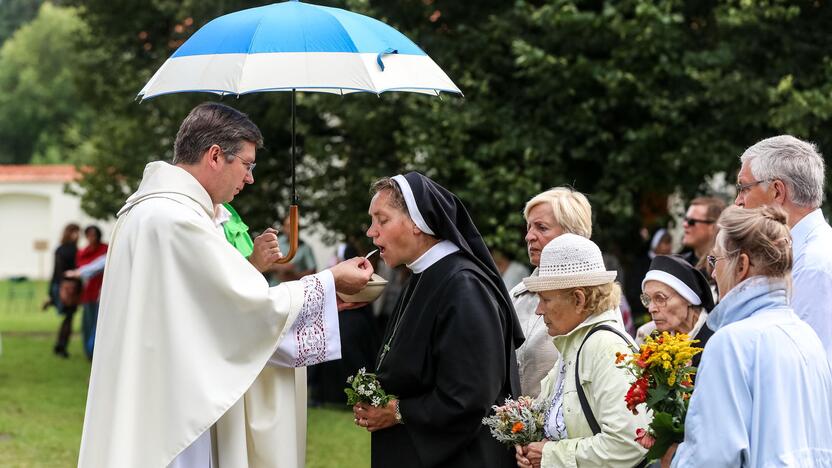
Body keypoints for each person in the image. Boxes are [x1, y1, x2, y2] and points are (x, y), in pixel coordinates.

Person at [77, 102, 374, 468]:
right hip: (174, 413)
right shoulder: (177, 221)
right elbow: (244, 312)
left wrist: (323, 299)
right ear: (216, 155)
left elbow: (218, 302)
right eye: (247, 165)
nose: (250, 178)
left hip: (152, 394)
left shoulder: (149, 211)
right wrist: (328, 282)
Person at [353, 173, 523, 468]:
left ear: (418, 223)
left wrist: (396, 411)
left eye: (382, 220)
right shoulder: (426, 275)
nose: (371, 232)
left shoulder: (463, 285)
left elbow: (471, 396)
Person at [667, 206, 832, 467]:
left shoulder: (730, 342)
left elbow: (711, 457)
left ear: (741, 264)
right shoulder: (807, 336)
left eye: (715, 261)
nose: (711, 273)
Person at [515, 234, 649, 468]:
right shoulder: (576, 343)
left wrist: (549, 455)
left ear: (578, 299)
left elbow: (629, 443)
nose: (538, 310)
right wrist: (529, 444)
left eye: (545, 299)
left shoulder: (607, 348)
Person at [734, 135, 832, 361]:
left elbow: (806, 368)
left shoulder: (813, 266)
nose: (738, 202)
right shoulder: (805, 255)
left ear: (777, 191)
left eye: (744, 188)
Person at [511, 187, 593, 397]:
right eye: (528, 227)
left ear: (572, 235)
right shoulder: (516, 296)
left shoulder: (593, 298)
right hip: (513, 425)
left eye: (541, 228)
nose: (529, 236)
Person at [636, 255, 715, 368]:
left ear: (688, 298)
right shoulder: (647, 337)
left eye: (660, 298)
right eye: (647, 299)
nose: (651, 308)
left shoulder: (715, 338)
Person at [45, 223, 81, 358]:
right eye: (74, 232)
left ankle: (60, 345)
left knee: (68, 317)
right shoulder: (69, 250)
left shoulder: (63, 249)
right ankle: (61, 346)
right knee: (68, 317)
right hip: (68, 288)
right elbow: (57, 271)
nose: (77, 235)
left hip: (66, 287)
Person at [625, 227, 672, 321]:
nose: (669, 247)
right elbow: (634, 292)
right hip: (643, 315)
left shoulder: (670, 263)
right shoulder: (640, 264)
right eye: (665, 243)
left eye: (670, 243)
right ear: (656, 244)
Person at [76, 225, 108, 359]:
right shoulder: (83, 252)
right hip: (88, 293)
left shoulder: (105, 249)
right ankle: (89, 352)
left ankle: (98, 352)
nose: (91, 238)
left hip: (102, 291)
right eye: (88, 235)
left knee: (99, 324)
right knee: (88, 323)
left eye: (93, 235)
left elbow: (97, 266)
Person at [266, 213, 317, 286]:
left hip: (295, 290)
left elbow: (313, 272)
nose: (292, 229)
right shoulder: (276, 242)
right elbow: (262, 264)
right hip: (274, 288)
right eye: (289, 226)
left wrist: (294, 276)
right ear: (283, 227)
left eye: (295, 226)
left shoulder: (305, 247)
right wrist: (279, 267)